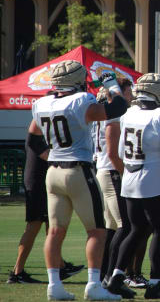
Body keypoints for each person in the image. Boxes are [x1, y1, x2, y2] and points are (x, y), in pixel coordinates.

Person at [29, 60, 127, 300]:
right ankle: (93, 285)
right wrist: (112, 85)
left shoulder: (41, 104)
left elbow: (33, 141)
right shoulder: (81, 101)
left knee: (54, 231)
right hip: (78, 171)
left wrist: (53, 157)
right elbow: (117, 109)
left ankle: (54, 286)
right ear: (78, 80)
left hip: (53, 173)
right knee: (97, 231)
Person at [106, 73, 160, 299]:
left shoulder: (129, 113)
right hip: (155, 183)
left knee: (136, 230)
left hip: (130, 181)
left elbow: (122, 151)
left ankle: (116, 277)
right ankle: (154, 284)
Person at [7, 122, 84, 284]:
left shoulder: (45, 131)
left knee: (53, 224)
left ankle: (60, 265)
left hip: (41, 182)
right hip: (38, 183)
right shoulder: (39, 134)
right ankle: (17, 272)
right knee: (34, 226)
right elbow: (40, 150)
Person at [93, 81, 136, 290]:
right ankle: (111, 277)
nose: (130, 96)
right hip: (111, 172)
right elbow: (112, 152)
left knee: (111, 227)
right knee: (125, 225)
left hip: (104, 170)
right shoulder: (115, 115)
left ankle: (103, 275)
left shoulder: (101, 114)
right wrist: (124, 173)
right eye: (128, 92)